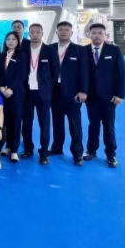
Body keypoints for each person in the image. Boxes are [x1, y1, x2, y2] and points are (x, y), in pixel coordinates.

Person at [84, 23, 125, 168]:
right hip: (91, 97)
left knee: (109, 126)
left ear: (105, 35)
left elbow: (122, 74)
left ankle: (111, 154)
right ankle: (91, 151)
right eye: (94, 33)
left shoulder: (114, 50)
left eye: (100, 33)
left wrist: (120, 94)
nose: (97, 35)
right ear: (89, 34)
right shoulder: (83, 51)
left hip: (110, 97)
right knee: (93, 125)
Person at [50, 22, 89, 166]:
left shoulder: (79, 50)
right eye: (60, 30)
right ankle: (57, 147)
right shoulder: (50, 48)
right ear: (57, 32)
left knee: (74, 124)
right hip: (54, 92)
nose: (63, 32)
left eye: (66, 30)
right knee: (57, 122)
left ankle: (77, 153)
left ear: (71, 33)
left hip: (73, 93)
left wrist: (83, 90)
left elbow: (84, 72)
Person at [21, 23, 59, 165]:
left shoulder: (50, 51)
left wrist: (47, 87)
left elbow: (55, 71)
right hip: (26, 92)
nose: (35, 34)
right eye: (32, 32)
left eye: (38, 32)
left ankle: (44, 152)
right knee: (27, 123)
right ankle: (28, 149)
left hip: (43, 93)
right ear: (29, 34)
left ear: (42, 33)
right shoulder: (23, 50)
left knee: (44, 123)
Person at [0, 31, 26, 163]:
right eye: (8, 39)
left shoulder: (22, 55)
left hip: (16, 93)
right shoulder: (1, 55)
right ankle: (8, 146)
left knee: (15, 120)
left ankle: (14, 150)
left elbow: (22, 75)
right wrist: (1, 87)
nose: (10, 41)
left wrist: (11, 89)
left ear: (18, 42)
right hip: (2, 92)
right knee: (5, 120)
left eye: (14, 39)